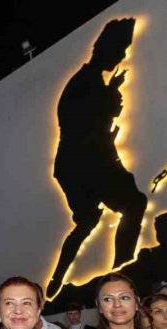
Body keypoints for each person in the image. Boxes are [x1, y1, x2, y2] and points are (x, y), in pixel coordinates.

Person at [46, 18, 146, 299]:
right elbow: (84, 131)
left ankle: (63, 277)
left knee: (92, 220)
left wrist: (109, 96)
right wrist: (109, 101)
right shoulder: (83, 84)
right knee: (129, 205)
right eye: (120, 49)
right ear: (105, 48)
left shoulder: (90, 82)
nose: (123, 56)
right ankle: (121, 271)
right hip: (83, 166)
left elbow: (95, 126)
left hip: (85, 164)